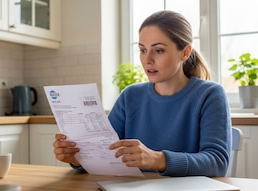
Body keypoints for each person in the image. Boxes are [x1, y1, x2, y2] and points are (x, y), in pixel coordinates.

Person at [53, 10, 231, 177]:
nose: (147, 60)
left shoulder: (210, 94)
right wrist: (77, 158)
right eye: (143, 50)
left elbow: (217, 162)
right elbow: (105, 154)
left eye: (158, 50)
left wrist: (158, 160)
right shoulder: (130, 96)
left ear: (185, 52)